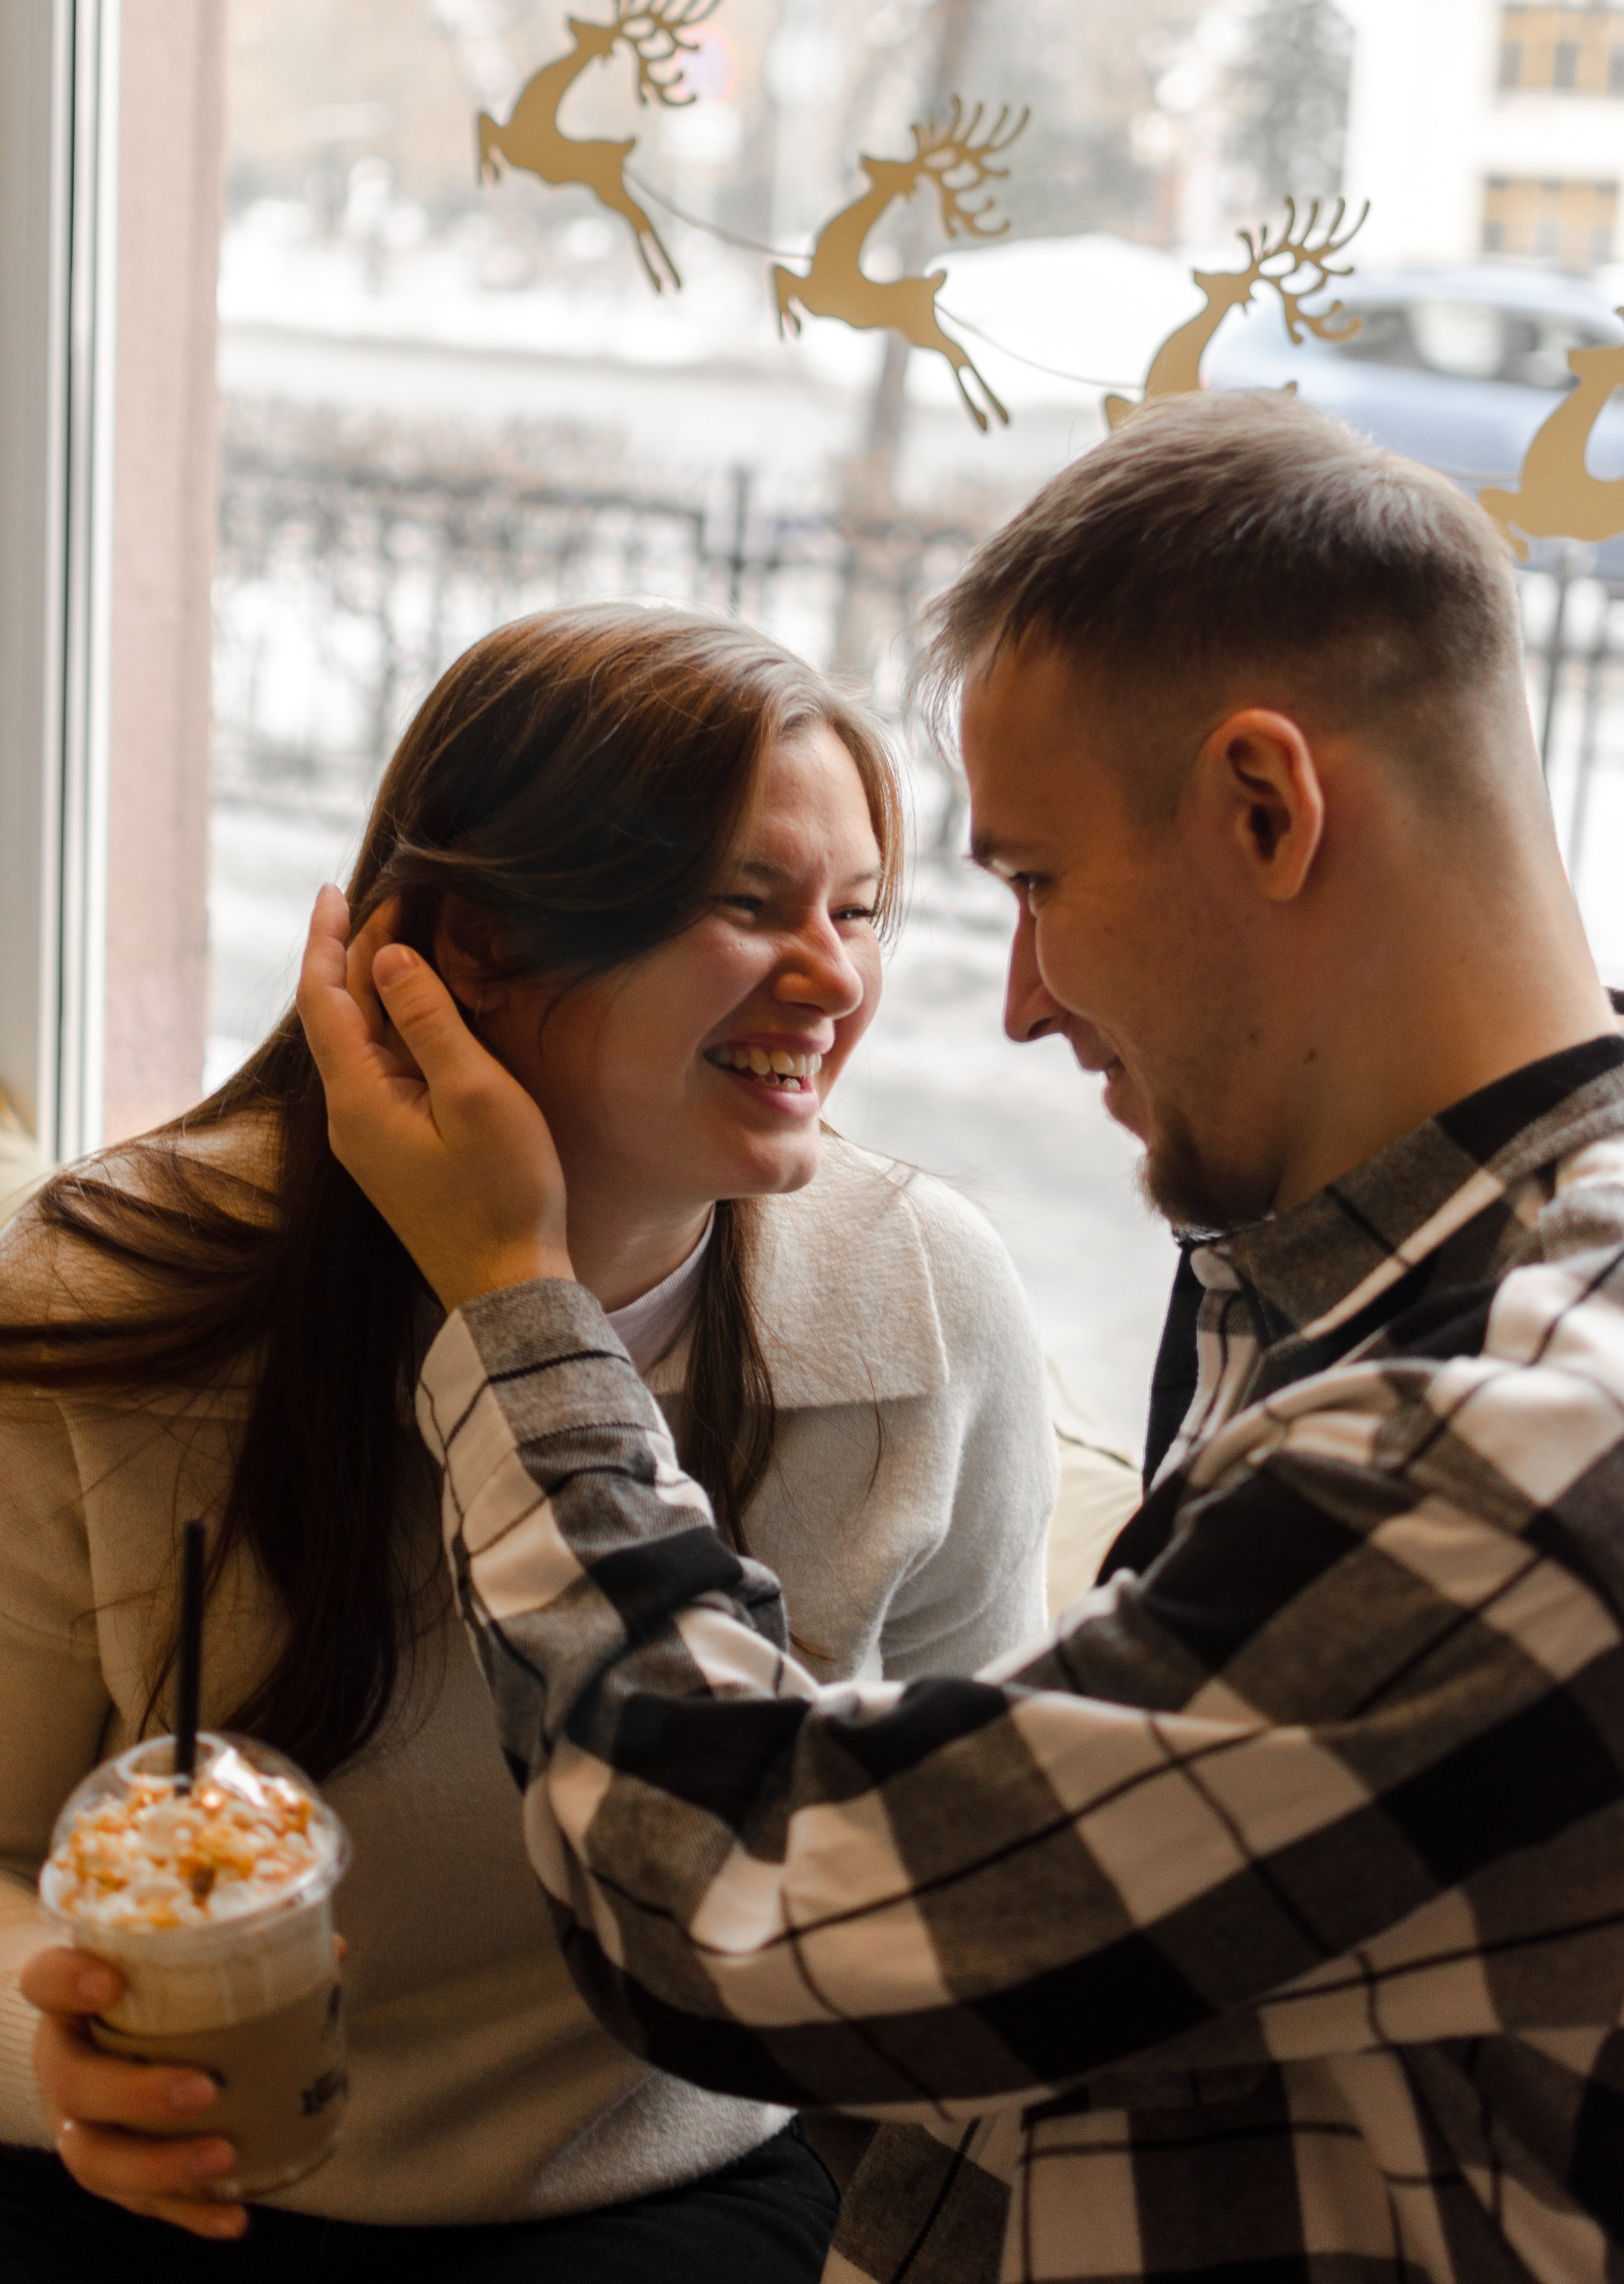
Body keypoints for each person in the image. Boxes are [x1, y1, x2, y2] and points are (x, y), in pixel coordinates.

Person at [303, 392, 1624, 2284]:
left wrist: (517, 1303)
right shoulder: (1382, 1281)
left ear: (1266, 808)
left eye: (1037, 882)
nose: (1015, 1002)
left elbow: (732, 1898)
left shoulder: (1509, 1450)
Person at [0, 607, 1059, 2280]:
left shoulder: (926, 1308)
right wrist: (47, 2056)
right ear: (471, 948)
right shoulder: (112, 1292)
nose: (839, 978)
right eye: (747, 903)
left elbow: (964, 1894)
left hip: (672, 2194)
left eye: (857, 910)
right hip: (166, 2176)